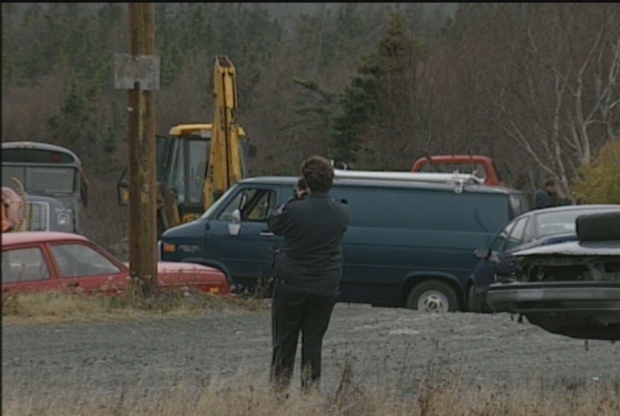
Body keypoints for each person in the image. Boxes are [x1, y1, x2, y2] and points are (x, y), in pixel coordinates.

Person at [267, 155, 349, 392]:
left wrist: (295, 199)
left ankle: (278, 395)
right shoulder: (342, 212)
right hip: (325, 286)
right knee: (313, 343)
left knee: (284, 343)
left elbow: (274, 222)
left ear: (306, 182)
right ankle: (310, 394)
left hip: (292, 283)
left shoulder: (294, 210)